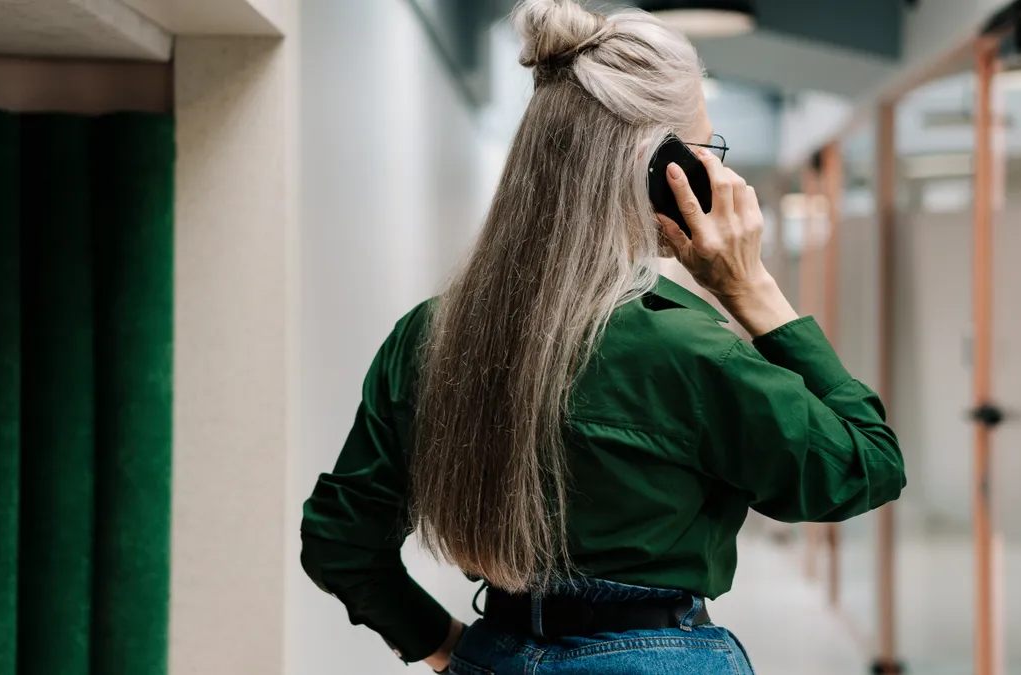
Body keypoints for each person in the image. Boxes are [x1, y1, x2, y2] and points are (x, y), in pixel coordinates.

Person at [299, 0, 907, 672]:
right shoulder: (689, 349)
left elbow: (340, 538)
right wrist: (751, 288)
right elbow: (864, 467)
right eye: (708, 151)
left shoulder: (429, 335)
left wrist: (442, 644)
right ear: (659, 170)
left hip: (495, 651)